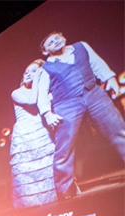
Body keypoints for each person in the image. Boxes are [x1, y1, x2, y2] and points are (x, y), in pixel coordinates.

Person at [36, 32, 125, 199]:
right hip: (66, 103)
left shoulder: (81, 47)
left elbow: (97, 64)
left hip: (93, 93)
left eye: (56, 37)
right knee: (65, 145)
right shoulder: (46, 68)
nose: (55, 42)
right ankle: (64, 190)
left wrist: (110, 78)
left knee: (118, 129)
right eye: (50, 42)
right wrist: (47, 113)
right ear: (45, 51)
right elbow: (42, 93)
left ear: (63, 37)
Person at [9, 60, 57, 208]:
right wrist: (37, 79)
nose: (30, 73)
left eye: (34, 71)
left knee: (47, 165)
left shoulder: (44, 90)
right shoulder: (16, 93)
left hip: (41, 131)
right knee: (27, 170)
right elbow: (32, 100)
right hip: (25, 134)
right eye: (27, 71)